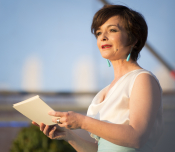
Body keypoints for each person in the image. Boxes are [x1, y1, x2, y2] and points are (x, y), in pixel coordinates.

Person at [32, 4, 163, 152]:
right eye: (99, 33)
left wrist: (82, 121)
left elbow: (137, 137)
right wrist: (68, 136)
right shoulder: (103, 93)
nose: (103, 37)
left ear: (134, 39)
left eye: (112, 30)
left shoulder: (142, 79)